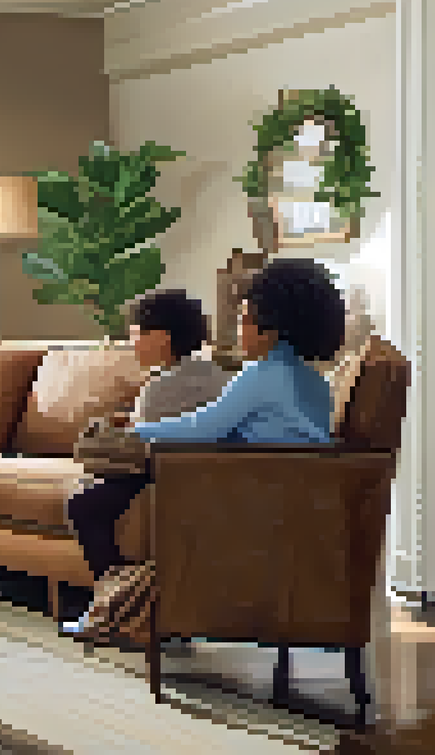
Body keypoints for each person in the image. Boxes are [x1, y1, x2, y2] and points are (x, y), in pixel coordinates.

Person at [62, 261, 346, 635]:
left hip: (246, 497)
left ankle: (123, 615)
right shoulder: (317, 382)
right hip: (296, 500)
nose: (237, 331)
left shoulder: (261, 374)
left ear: (271, 327)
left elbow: (203, 426)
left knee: (92, 500)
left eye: (244, 320)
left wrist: (136, 431)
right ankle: (131, 613)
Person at [61, 289, 230, 625]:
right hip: (201, 471)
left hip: (164, 471)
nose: (131, 343)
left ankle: (116, 607)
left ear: (163, 338)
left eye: (136, 334)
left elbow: (141, 443)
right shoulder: (218, 376)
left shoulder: (161, 387)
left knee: (83, 504)